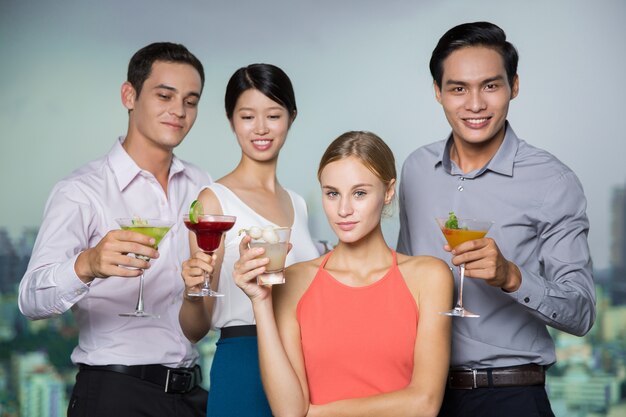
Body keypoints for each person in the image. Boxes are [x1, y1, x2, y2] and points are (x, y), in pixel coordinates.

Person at [396, 21, 596, 417]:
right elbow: (404, 280)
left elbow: (582, 312)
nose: (475, 104)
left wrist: (511, 277)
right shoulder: (416, 169)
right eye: (458, 88)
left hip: (510, 396)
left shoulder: (552, 181)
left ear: (514, 86)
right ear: (438, 93)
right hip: (421, 396)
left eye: (490, 85)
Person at [18, 42, 211, 417]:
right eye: (165, 95)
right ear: (129, 95)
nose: (179, 111)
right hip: (114, 395)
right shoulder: (82, 191)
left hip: (190, 395)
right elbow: (29, 299)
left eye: (191, 100)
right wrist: (87, 263)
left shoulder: (201, 185)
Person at [233, 131, 453, 417]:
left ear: (388, 192)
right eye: (332, 194)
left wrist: (314, 414)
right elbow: (287, 412)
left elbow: (424, 404)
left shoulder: (429, 277)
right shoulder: (294, 281)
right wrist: (260, 301)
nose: (344, 210)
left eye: (359, 193)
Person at [179, 63, 320, 417]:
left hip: (305, 363)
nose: (260, 129)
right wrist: (192, 290)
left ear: (291, 117)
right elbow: (194, 329)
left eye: (273, 115)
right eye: (247, 116)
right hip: (244, 360)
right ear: (231, 120)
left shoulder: (299, 204)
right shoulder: (214, 201)